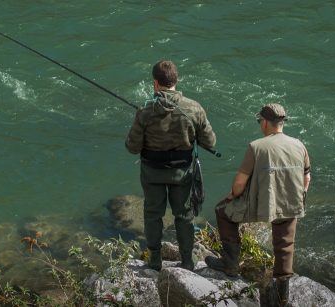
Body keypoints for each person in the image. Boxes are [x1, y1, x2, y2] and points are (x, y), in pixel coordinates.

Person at [205, 103, 311, 306]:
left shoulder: (256, 146)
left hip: (259, 204)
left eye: (259, 121)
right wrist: (300, 195)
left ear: (265, 122)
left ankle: (231, 264)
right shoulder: (299, 145)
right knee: (285, 244)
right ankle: (283, 291)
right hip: (290, 202)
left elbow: (239, 184)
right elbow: (307, 178)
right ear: (282, 123)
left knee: (222, 211)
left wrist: (233, 196)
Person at [125, 60, 216, 271]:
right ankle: (187, 261)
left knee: (153, 215)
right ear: (176, 80)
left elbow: (132, 147)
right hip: (182, 173)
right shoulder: (194, 108)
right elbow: (210, 142)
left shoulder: (145, 111)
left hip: (152, 172)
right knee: (184, 216)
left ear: (155, 83)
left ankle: (155, 260)